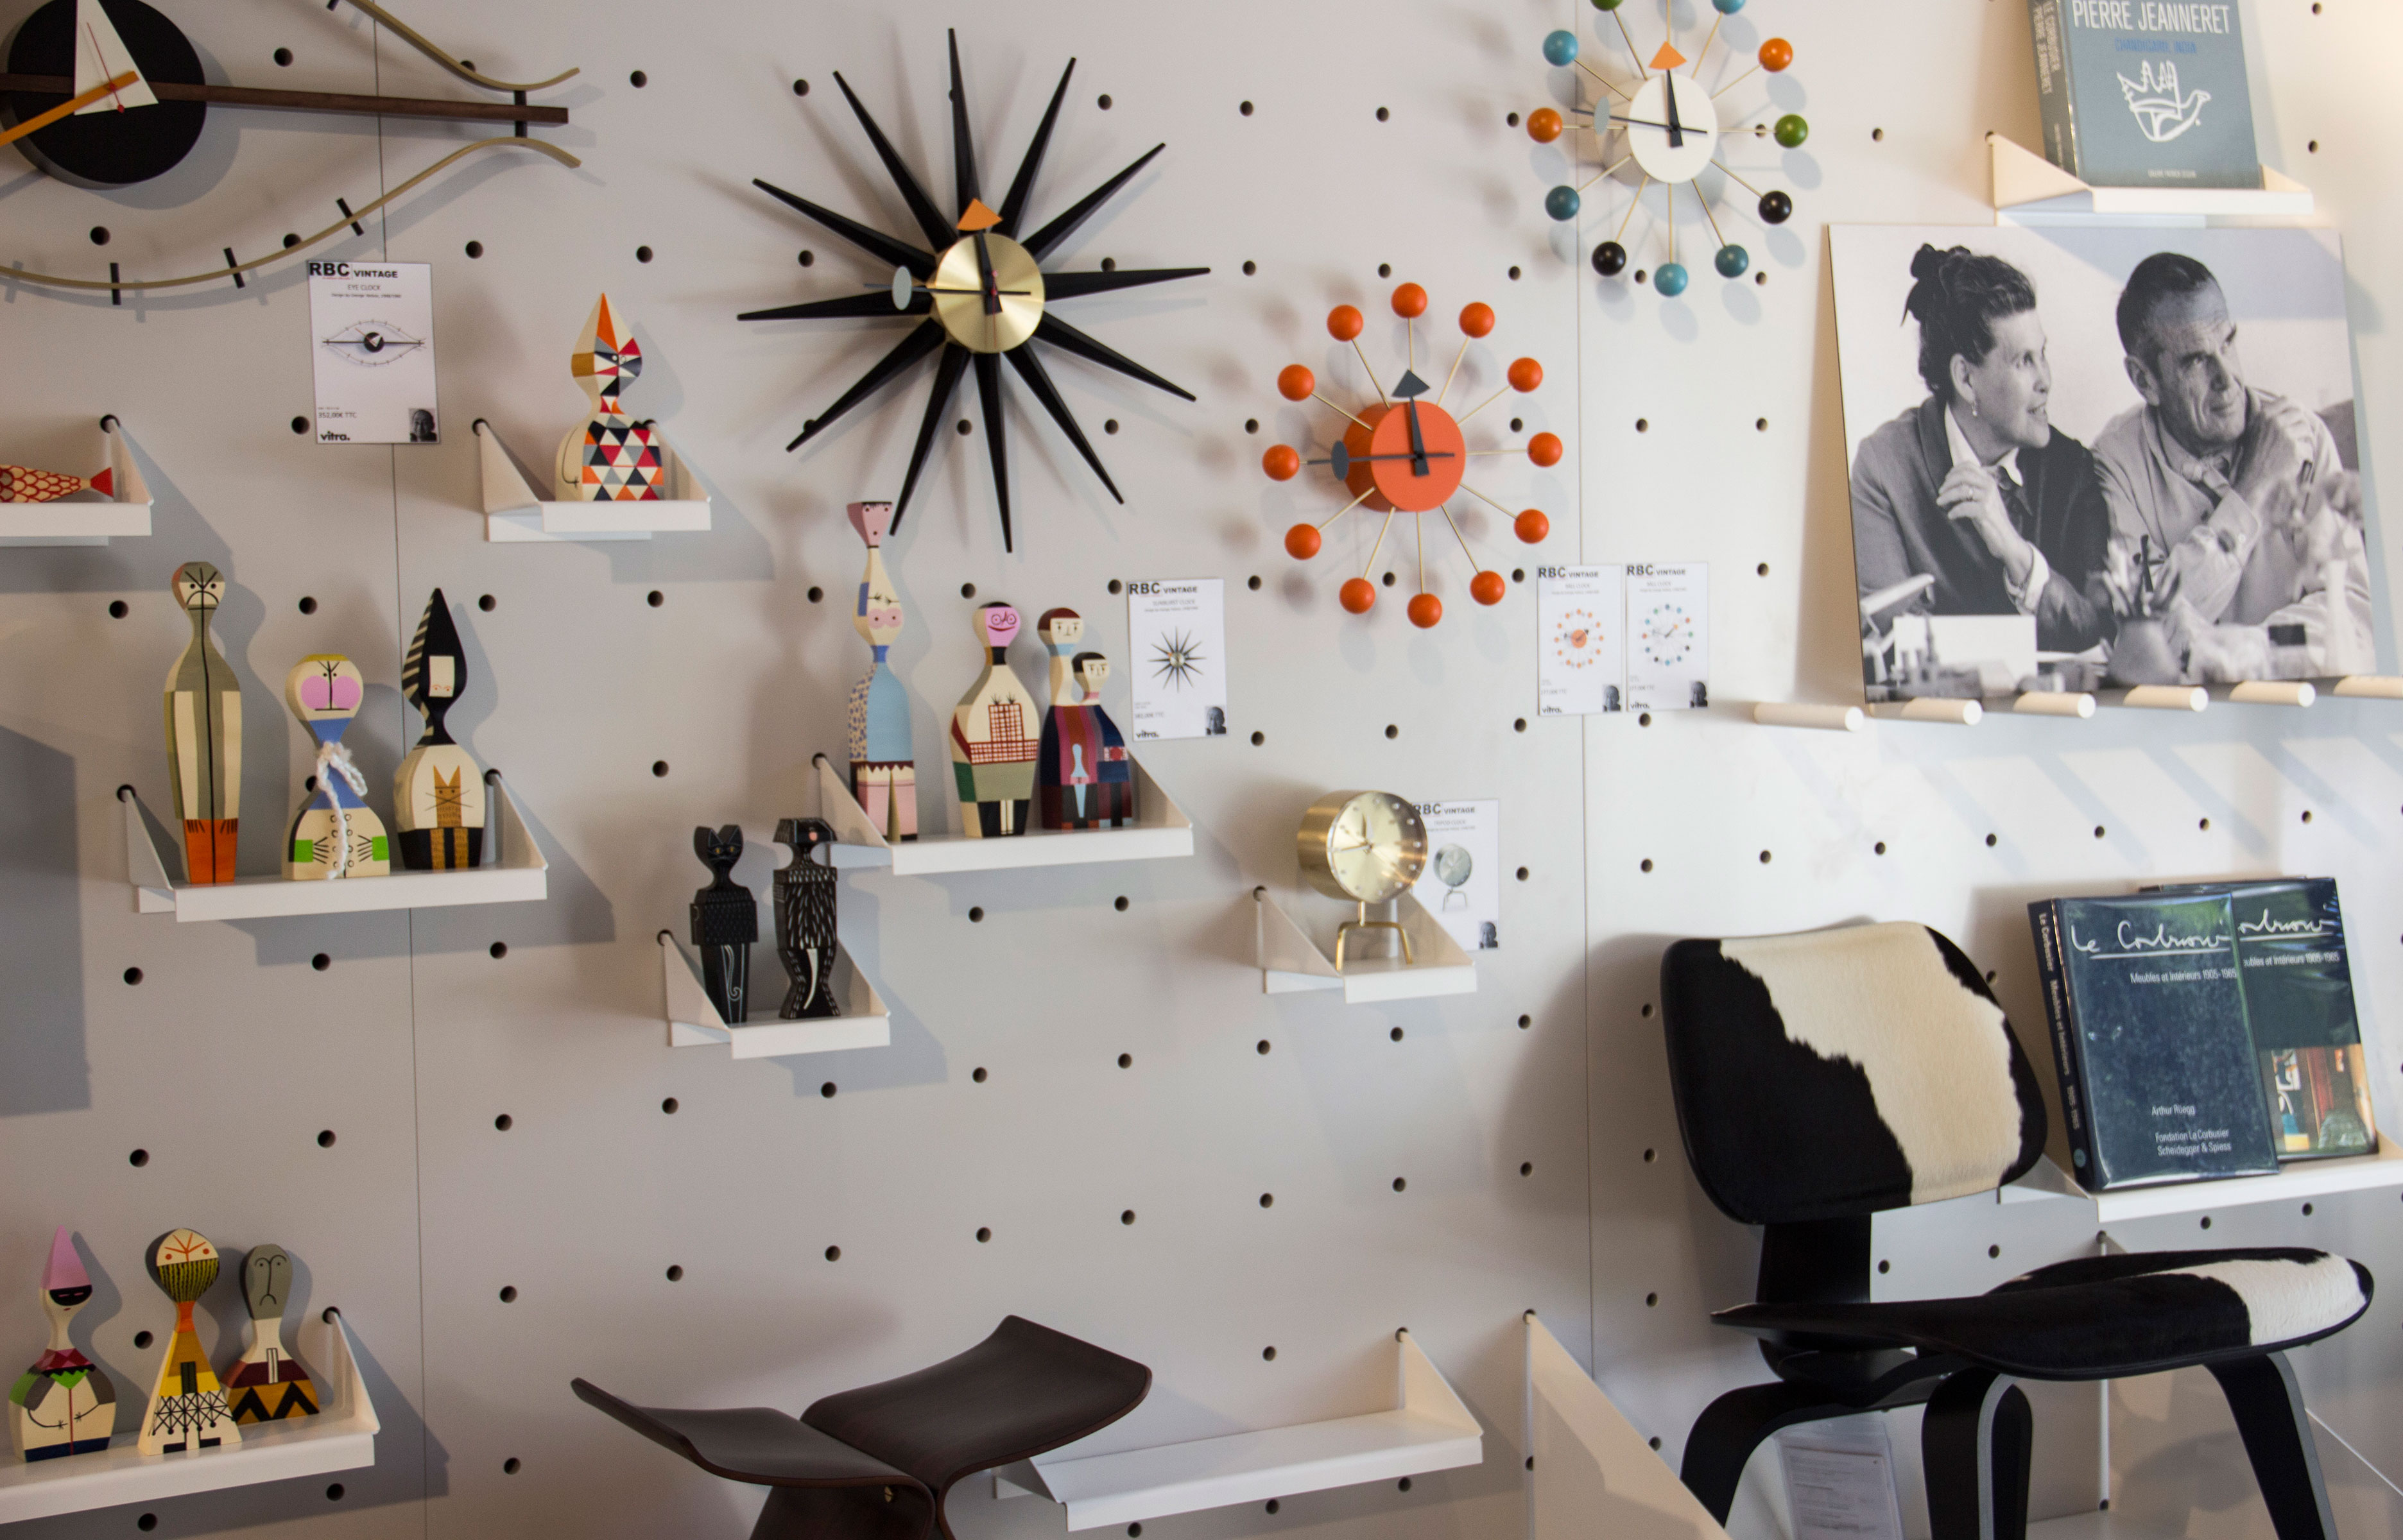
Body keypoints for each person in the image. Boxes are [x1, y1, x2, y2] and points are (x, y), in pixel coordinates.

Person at [2092, 252, 2368, 675]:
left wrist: (2245, 651)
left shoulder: (2303, 438)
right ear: (2145, 380)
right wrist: (2251, 492)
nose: (2228, 379)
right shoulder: (2116, 464)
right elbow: (2148, 631)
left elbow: (2353, 611)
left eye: (2228, 343)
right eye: (2197, 360)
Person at [1850, 244, 2114, 656]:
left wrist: (2016, 552)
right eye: (2024, 361)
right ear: (1966, 379)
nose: (2045, 380)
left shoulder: (2073, 467)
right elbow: (1895, 644)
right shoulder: (1884, 467)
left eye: (2042, 354)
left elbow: (2101, 632)